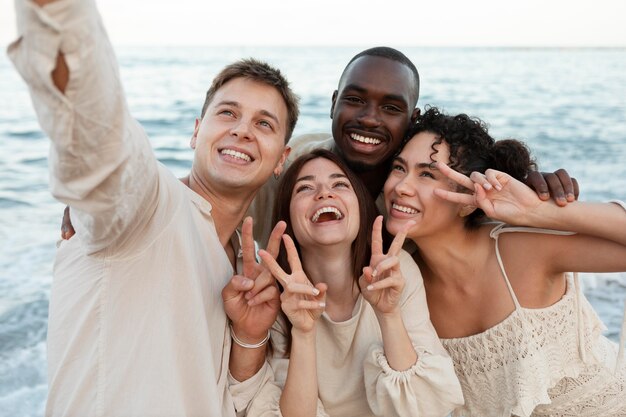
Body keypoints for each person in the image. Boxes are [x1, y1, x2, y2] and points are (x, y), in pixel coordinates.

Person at [8, 0, 298, 416]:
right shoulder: (150, 206)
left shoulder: (243, 270)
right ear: (196, 132)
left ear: (281, 159)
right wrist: (59, 12)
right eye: (227, 112)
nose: (241, 130)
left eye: (264, 123)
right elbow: (99, 141)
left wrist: (249, 339)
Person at [60, 47, 579, 243]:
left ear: (413, 116)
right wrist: (125, 201)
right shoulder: (299, 158)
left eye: (391, 107)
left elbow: (476, 201)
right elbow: (219, 180)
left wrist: (535, 193)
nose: (368, 119)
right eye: (355, 100)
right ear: (333, 103)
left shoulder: (423, 186)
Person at [383, 107, 626, 416]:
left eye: (427, 174)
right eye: (398, 168)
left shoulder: (517, 249)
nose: (401, 186)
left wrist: (540, 213)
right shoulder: (401, 281)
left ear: (467, 200)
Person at [244, 149, 464, 417]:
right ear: (287, 218)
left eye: (339, 184)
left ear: (360, 207)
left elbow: (425, 409)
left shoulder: (395, 269)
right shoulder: (279, 297)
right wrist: (303, 333)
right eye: (304, 188)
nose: (325, 193)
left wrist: (389, 314)